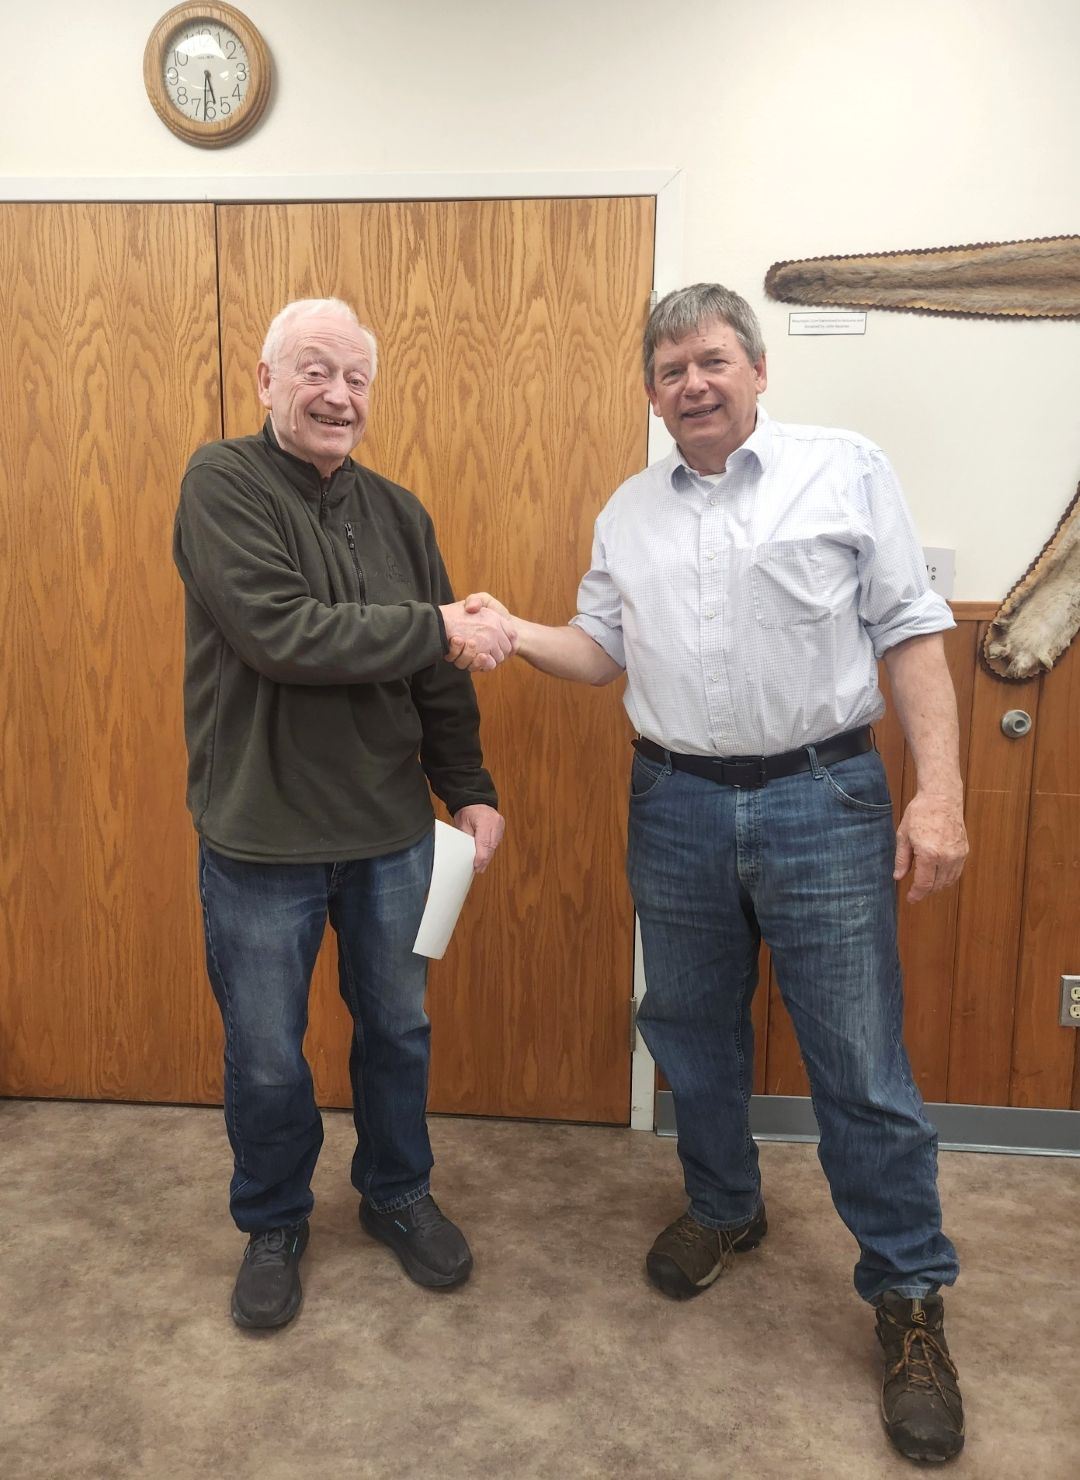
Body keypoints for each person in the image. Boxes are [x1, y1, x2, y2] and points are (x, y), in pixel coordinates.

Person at [465, 284, 969, 1464]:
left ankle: (907, 1298)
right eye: (670, 370)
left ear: (755, 367)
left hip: (822, 792)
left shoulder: (843, 469)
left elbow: (910, 628)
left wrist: (939, 792)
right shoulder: (629, 509)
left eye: (712, 360)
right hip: (677, 797)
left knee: (857, 1058)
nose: (692, 384)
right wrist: (513, 628)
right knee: (688, 1031)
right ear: (650, 393)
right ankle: (726, 1208)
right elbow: (601, 654)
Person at [173, 297, 515, 1330]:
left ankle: (397, 1193)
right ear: (267, 380)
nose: (338, 395)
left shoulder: (401, 513)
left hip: (391, 834)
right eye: (315, 370)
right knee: (268, 1049)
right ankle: (275, 1219)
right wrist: (436, 626)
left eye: (357, 377)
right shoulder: (220, 482)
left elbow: (442, 671)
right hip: (259, 834)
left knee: (399, 1029)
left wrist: (471, 785)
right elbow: (284, 632)